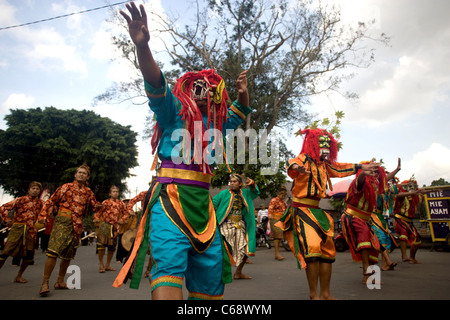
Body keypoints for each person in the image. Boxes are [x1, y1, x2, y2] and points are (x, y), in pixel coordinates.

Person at [113, 2, 251, 300]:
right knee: (169, 272)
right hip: (169, 201)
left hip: (205, 210)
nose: (203, 89)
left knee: (210, 287)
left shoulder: (218, 126)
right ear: (186, 89)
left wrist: (242, 93)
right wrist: (142, 47)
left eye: (209, 86)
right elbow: (155, 81)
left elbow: (240, 111)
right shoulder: (172, 111)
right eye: (196, 85)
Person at [276, 128, 378, 300]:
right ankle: (313, 294)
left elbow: (340, 168)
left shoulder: (325, 165)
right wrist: (296, 168)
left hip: (318, 212)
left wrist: (361, 167)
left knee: (327, 252)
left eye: (328, 145)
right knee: (313, 250)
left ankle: (325, 293)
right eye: (322, 144)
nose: (326, 148)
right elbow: (291, 163)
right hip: (301, 210)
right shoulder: (304, 159)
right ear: (313, 144)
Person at [38, 164, 102, 296]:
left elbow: (95, 207)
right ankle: (45, 283)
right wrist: (43, 215)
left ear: (87, 177)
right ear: (75, 174)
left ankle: (60, 281)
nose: (81, 174)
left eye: (84, 173)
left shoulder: (88, 192)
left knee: (68, 254)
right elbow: (50, 201)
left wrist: (103, 206)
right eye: (79, 172)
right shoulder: (65, 187)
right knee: (53, 251)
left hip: (77, 225)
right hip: (62, 221)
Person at [341, 159, 399, 284]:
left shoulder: (376, 185)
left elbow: (385, 178)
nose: (375, 174)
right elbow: (361, 179)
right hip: (353, 217)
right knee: (365, 239)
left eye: (377, 172)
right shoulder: (361, 182)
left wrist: (396, 170)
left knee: (375, 246)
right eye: (372, 171)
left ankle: (369, 277)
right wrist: (363, 172)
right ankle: (367, 269)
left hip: (366, 219)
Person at [213, 175, 259, 280]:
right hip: (226, 224)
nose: (232, 183)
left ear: (240, 184)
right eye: (231, 181)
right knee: (224, 249)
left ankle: (238, 273)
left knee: (245, 249)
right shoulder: (224, 193)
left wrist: (252, 183)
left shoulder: (246, 193)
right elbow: (212, 203)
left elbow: (256, 192)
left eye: (234, 181)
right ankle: (220, 273)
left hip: (241, 224)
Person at [0, 181, 43, 283]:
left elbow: (49, 210)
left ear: (39, 191)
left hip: (31, 231)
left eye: (37, 189)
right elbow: (3, 207)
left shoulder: (41, 203)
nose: (35, 190)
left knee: (28, 255)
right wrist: (6, 220)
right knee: (5, 252)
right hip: (18, 228)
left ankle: (19, 275)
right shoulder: (21, 200)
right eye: (33, 188)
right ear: (29, 190)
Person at [94, 185, 128, 273]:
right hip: (105, 225)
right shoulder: (105, 202)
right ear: (110, 193)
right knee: (101, 245)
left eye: (117, 191)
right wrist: (96, 218)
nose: (115, 193)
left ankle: (107, 265)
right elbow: (99, 212)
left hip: (115, 227)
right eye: (113, 191)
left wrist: (122, 220)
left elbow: (125, 213)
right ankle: (101, 264)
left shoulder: (121, 203)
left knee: (112, 247)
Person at [393, 176, 425, 264]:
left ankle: (412, 258)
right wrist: (413, 193)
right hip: (400, 220)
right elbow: (398, 195)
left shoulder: (414, 198)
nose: (410, 189)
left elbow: (421, 194)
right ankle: (404, 256)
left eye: (412, 187)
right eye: (408, 187)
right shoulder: (402, 196)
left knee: (417, 238)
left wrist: (427, 191)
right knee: (404, 233)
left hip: (409, 221)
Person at [268, 186, 288, 261]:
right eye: (282, 194)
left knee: (279, 236)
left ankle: (277, 254)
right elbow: (270, 209)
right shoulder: (274, 200)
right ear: (279, 193)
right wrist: (270, 216)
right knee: (277, 236)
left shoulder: (283, 202)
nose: (283, 196)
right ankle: (277, 254)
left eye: (284, 195)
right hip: (275, 219)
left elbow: (285, 211)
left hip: (281, 220)